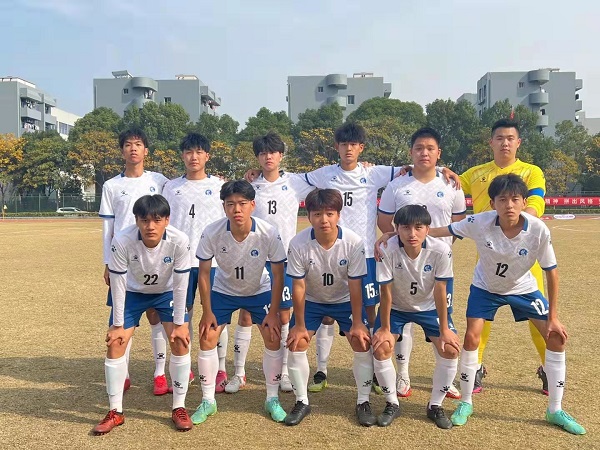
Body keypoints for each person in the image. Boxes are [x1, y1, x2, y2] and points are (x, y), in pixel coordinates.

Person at [429, 174, 585, 435]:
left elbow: (552, 272)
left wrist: (554, 317)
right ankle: (466, 402)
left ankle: (555, 410)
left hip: (523, 289)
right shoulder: (479, 222)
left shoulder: (538, 230)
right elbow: (442, 230)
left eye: (515, 199)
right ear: (493, 203)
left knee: (556, 337)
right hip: (485, 288)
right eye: (502, 200)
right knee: (471, 338)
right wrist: (399, 232)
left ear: (524, 202)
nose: (509, 205)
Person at [303, 122, 398, 392]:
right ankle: (321, 370)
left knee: (369, 311)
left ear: (361, 148)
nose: (348, 149)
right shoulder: (325, 174)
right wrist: (256, 174)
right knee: (326, 312)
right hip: (332, 254)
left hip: (365, 254)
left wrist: (444, 170)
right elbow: (291, 179)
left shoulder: (373, 173)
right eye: (344, 144)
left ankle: (374, 368)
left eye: (353, 145)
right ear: (337, 147)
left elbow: (412, 169)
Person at [459, 119, 548, 394]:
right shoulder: (475, 174)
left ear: (518, 143)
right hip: (488, 258)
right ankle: (475, 367)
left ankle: (549, 368)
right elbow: (445, 185)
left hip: (524, 261)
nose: (505, 143)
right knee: (480, 319)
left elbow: (537, 200)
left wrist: (520, 222)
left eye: (510, 138)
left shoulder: (531, 171)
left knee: (539, 318)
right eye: (499, 138)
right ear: (491, 142)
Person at [377, 127, 465, 399]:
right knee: (401, 318)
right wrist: (395, 239)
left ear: (439, 153)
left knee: (441, 320)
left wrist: (436, 244)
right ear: (411, 152)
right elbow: (384, 220)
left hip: (437, 264)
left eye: (430, 148)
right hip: (402, 262)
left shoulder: (451, 184)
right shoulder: (397, 185)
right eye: (418, 148)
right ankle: (403, 374)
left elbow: (459, 223)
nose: (424, 153)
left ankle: (446, 378)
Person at [92, 195, 193, 435]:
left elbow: (181, 284)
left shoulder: (180, 240)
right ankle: (115, 411)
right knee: (116, 342)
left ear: (167, 220)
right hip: (133, 292)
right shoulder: (122, 240)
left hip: (166, 292)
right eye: (144, 220)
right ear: (136, 220)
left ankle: (179, 407)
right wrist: (118, 324)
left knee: (180, 341)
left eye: (157, 220)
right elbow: (117, 283)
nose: (150, 226)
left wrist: (180, 323)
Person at [191, 180, 288, 425]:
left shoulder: (268, 232)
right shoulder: (212, 231)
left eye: (242, 203)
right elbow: (204, 273)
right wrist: (207, 311)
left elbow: (278, 274)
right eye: (230, 204)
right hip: (223, 290)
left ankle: (272, 398)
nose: (237, 209)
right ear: (223, 207)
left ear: (252, 205)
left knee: (273, 335)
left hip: (259, 290)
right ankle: (208, 401)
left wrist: (274, 312)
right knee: (207, 337)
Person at [227, 132, 315, 394]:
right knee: (246, 314)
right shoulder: (250, 185)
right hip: (254, 259)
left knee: (284, 314)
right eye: (263, 153)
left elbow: (331, 177)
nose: (268, 157)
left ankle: (284, 372)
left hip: (285, 260)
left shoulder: (296, 182)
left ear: (281, 155)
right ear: (257, 157)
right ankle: (239, 373)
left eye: (273, 152)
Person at [284, 188, 374, 427]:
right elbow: (298, 286)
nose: (323, 219)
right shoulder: (298, 243)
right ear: (308, 216)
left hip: (344, 300)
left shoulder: (353, 242)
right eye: (317, 214)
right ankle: (301, 401)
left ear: (338, 215)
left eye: (330, 213)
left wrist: (357, 322)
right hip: (312, 301)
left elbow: (355, 285)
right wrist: (299, 325)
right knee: (297, 342)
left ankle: (363, 401)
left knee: (361, 341)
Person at [98, 128, 170, 395]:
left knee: (156, 315)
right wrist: (108, 262)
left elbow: (184, 190)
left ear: (146, 150)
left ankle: (160, 373)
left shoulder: (160, 181)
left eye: (138, 144)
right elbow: (108, 228)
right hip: (124, 259)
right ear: (122, 151)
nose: (133, 149)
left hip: (155, 257)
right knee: (121, 317)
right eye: (128, 144)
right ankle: (124, 374)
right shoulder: (111, 186)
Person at [373, 205, 459, 428]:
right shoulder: (387, 248)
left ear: (427, 229)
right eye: (405, 227)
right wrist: (384, 328)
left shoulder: (441, 250)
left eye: (418, 227)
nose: (412, 233)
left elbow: (441, 290)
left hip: (429, 308)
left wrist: (445, 329)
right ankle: (392, 403)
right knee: (381, 347)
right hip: (396, 308)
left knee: (450, 349)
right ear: (397, 229)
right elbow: (386, 292)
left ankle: (435, 405)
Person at [162, 132, 226, 389]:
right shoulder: (171, 187)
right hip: (181, 262)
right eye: (189, 152)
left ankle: (220, 368)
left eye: (199, 152)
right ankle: (184, 366)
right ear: (182, 156)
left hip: (214, 262)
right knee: (182, 314)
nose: (193, 157)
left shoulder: (220, 186)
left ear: (207, 156)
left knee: (217, 315)